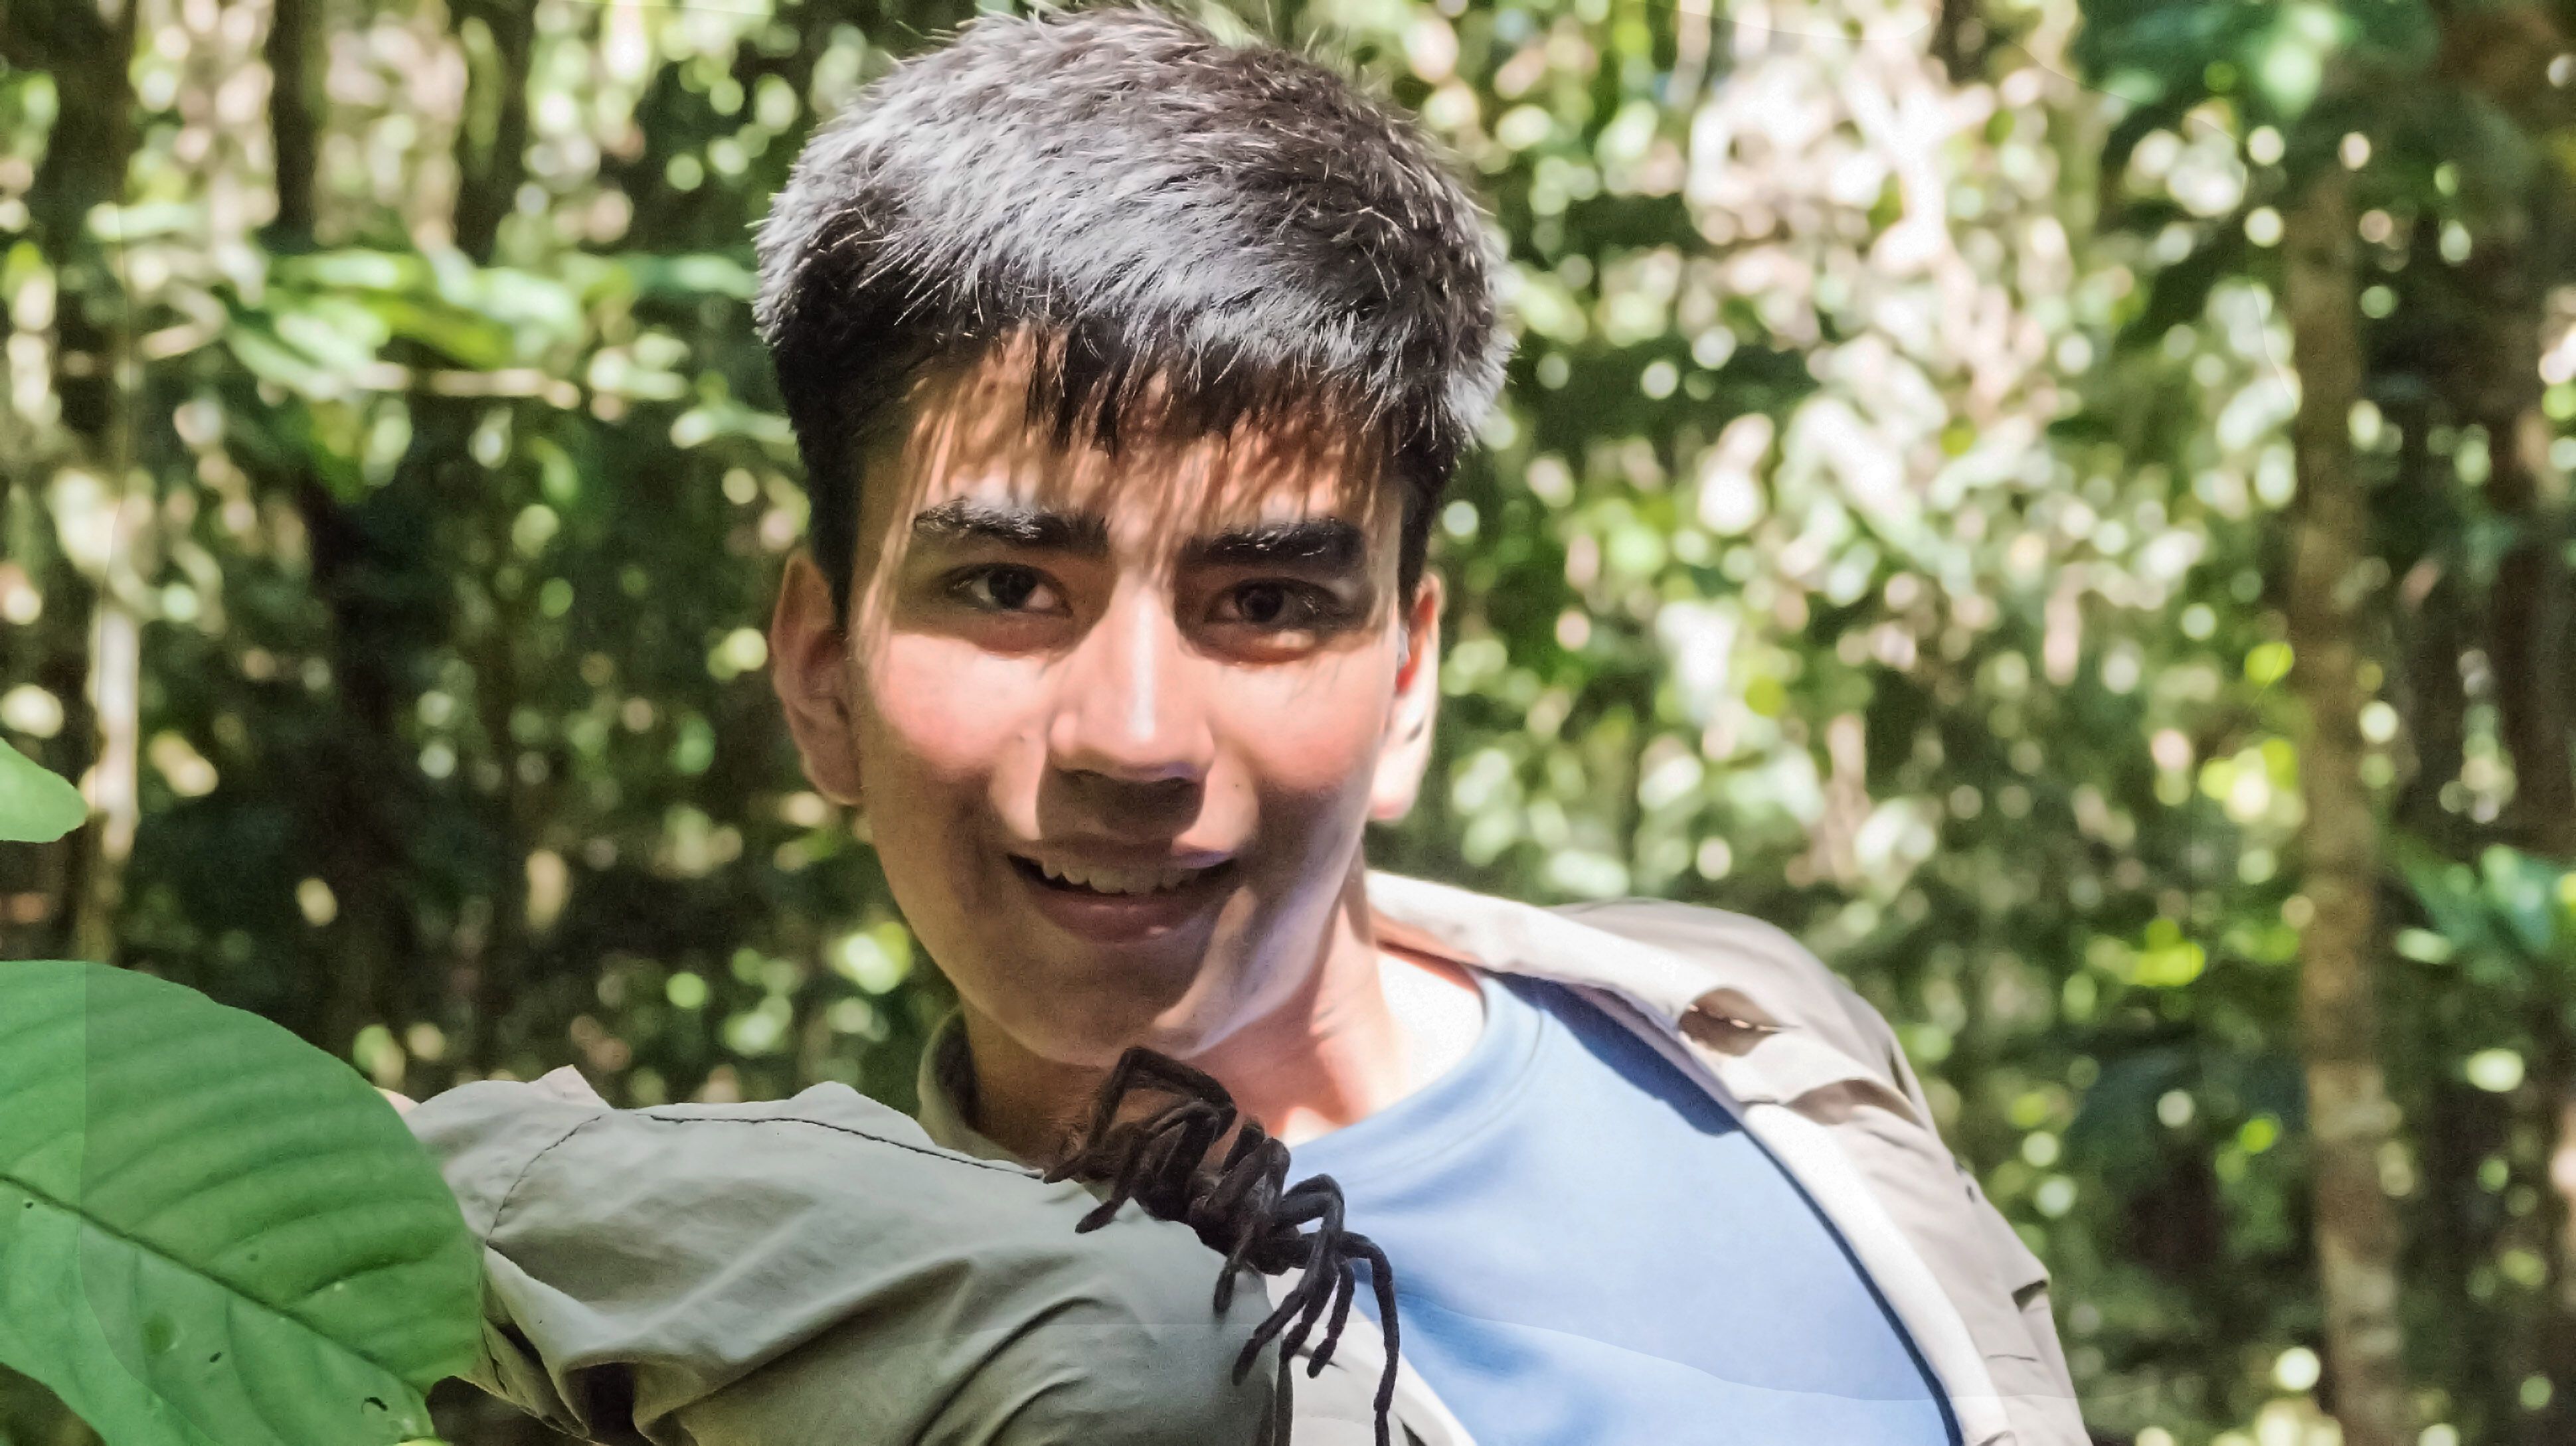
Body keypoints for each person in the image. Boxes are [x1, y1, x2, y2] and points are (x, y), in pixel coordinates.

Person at [406, 8, 2086, 1444]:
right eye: (1005, 586)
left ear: (1409, 675)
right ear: (819, 676)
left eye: (1266, 599)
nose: (1133, 737)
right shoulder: (962, 1349)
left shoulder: (1744, 1024)